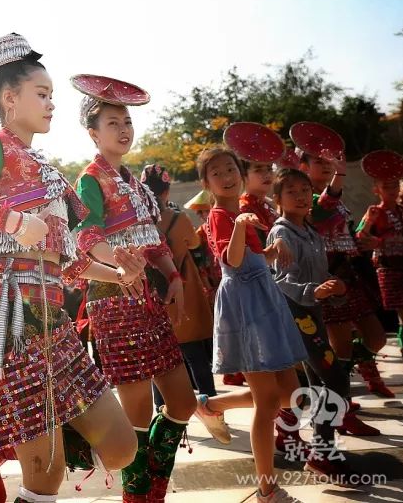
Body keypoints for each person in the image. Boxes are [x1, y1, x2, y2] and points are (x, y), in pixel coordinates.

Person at [0, 34, 142, 503]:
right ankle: (21, 447)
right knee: (45, 478)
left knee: (121, 447)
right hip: (12, 317)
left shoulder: (46, 168)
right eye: (42, 94)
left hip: (55, 318)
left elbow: (65, 262)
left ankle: (6, 444)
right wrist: (11, 219)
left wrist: (118, 275)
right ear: (10, 99)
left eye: (52, 95)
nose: (52, 104)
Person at [71, 77, 198, 502]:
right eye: (113, 123)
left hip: (148, 298)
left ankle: (153, 489)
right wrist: (123, 263)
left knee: (183, 402)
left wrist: (174, 277)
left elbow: (156, 242)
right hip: (115, 300)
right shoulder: (89, 179)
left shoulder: (138, 184)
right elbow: (87, 237)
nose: (123, 129)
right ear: (93, 133)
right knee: (139, 411)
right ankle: (139, 496)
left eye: (127, 121)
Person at [190, 147, 309, 503]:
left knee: (288, 396)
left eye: (231, 168)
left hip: (264, 299)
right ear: (206, 183)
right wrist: (241, 226)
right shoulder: (217, 215)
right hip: (245, 304)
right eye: (216, 172)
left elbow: (254, 258)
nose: (226, 176)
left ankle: (212, 405)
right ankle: (267, 490)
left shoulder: (239, 212)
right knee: (269, 401)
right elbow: (233, 259)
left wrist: (272, 251)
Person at [267, 167, 379, 479]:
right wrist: (313, 290)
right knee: (337, 380)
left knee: (320, 383)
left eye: (305, 191)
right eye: (292, 192)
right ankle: (321, 451)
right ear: (277, 199)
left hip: (311, 314)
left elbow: (319, 278)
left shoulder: (311, 232)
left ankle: (322, 452)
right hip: (296, 317)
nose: (302, 197)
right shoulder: (282, 233)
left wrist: (335, 287)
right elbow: (280, 280)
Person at [293, 122, 392, 398]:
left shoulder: (337, 198)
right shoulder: (304, 199)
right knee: (341, 347)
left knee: (377, 337)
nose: (326, 165)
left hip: (349, 276)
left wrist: (366, 236)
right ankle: (340, 405)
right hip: (325, 277)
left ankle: (335, 378)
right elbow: (323, 206)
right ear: (303, 167)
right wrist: (340, 174)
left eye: (330, 160)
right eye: (318, 161)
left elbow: (346, 233)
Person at [141, 166, 216, 402]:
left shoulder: (140, 223)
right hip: (183, 290)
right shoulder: (178, 218)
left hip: (155, 296)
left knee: (159, 360)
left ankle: (161, 417)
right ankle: (212, 408)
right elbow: (194, 244)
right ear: (166, 191)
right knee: (195, 354)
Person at [356, 149, 403, 384]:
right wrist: (375, 238)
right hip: (390, 269)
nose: (391, 190)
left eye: (394, 185)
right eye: (386, 186)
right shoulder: (375, 212)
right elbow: (359, 236)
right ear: (376, 189)